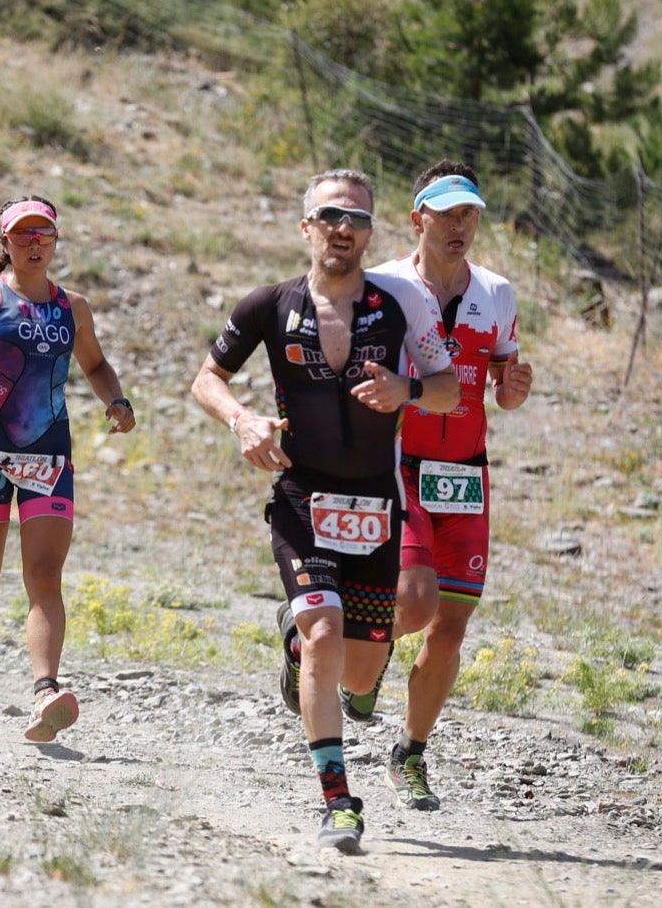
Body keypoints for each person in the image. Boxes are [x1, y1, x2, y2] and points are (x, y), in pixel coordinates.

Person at [190, 169, 457, 853]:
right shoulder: (270, 305)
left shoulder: (400, 305)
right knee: (325, 635)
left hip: (374, 506)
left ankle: (295, 639)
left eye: (358, 219)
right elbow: (206, 380)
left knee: (362, 671)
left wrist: (408, 388)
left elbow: (449, 391)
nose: (345, 228)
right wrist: (242, 420)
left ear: (372, 232)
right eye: (331, 216)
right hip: (301, 500)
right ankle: (338, 800)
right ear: (306, 227)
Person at [0, 196, 136, 743]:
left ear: (56, 241)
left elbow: (95, 363)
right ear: (5, 242)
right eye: (23, 235)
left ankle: (46, 692)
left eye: (45, 235)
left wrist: (116, 400)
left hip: (49, 455)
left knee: (43, 575)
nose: (35, 243)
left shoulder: (73, 307)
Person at [353, 160, 534, 812]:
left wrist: (514, 388)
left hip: (467, 473)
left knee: (450, 629)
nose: (461, 226)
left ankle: (410, 753)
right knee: (415, 602)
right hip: (403, 465)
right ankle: (352, 655)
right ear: (418, 218)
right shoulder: (387, 286)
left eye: (471, 214)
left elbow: (505, 381)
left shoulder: (499, 293)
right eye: (448, 213)